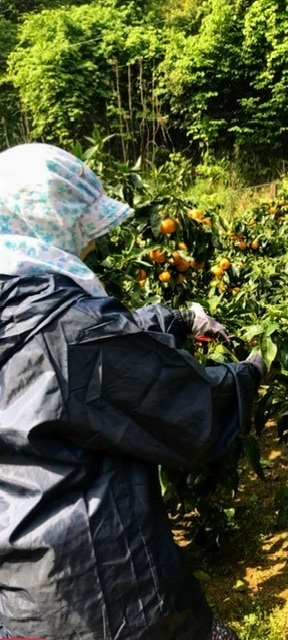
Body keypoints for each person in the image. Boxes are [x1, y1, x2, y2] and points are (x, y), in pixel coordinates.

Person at [0, 143, 266, 640]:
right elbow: (193, 414)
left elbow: (62, 363)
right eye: (84, 231)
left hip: (17, 602)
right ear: (50, 223)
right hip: (105, 598)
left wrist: (174, 318)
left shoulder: (23, 312)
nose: (91, 246)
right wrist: (249, 372)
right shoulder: (69, 329)